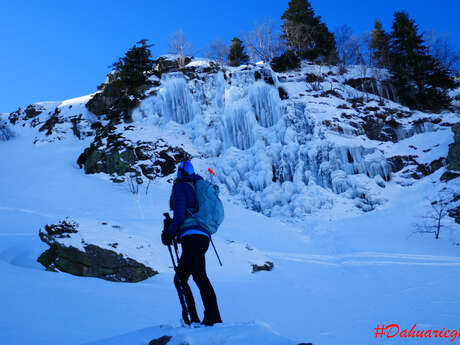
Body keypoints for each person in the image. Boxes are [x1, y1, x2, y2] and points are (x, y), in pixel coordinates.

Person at [162, 160, 222, 326]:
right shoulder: (198, 186)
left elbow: (180, 216)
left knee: (193, 278)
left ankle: (208, 318)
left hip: (192, 238)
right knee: (187, 278)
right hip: (202, 237)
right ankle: (200, 318)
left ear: (180, 173)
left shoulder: (182, 187)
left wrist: (169, 232)